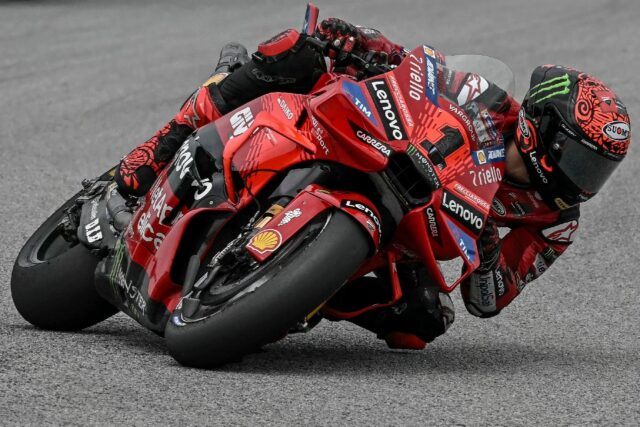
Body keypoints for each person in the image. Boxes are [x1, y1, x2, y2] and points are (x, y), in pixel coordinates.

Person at [114, 19, 631, 350]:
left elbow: (489, 300)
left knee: (423, 321)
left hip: (413, 236)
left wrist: (489, 248)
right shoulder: (490, 100)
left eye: (597, 170)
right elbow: (420, 73)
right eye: (581, 159)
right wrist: (367, 45)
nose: (583, 181)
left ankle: (294, 294)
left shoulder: (555, 222)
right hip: (373, 146)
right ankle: (160, 148)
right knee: (295, 52)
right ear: (540, 127)